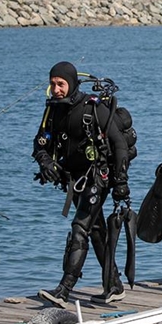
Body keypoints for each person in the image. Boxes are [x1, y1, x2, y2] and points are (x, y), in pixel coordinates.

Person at [33, 61, 133, 308]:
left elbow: (119, 146)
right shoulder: (53, 110)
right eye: (53, 84)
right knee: (96, 231)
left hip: (99, 177)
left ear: (73, 84)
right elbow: (39, 144)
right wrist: (46, 164)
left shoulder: (93, 109)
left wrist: (121, 182)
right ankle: (114, 285)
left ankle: (64, 290)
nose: (56, 89)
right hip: (75, 179)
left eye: (61, 84)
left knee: (80, 228)